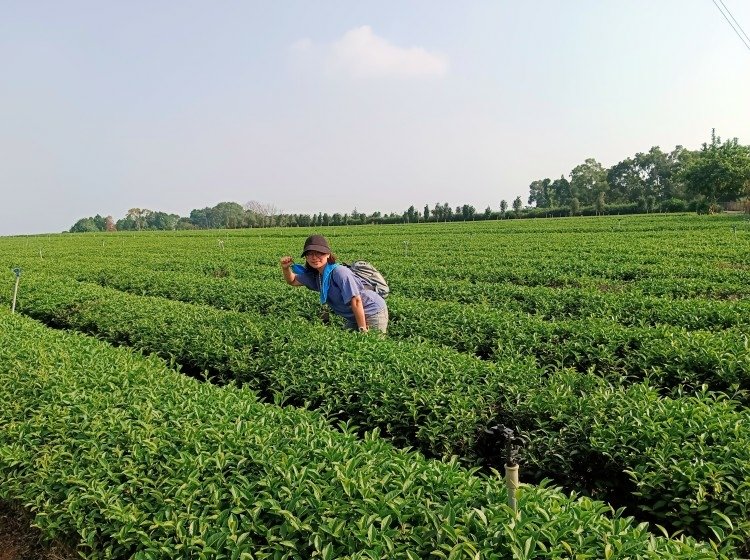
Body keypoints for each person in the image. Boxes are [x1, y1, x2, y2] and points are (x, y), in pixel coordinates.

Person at [280, 234, 388, 333]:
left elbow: (356, 300)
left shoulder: (339, 272)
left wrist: (362, 329)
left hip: (372, 311)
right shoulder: (316, 275)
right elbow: (293, 281)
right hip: (355, 315)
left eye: (319, 253)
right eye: (310, 254)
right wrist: (285, 269)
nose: (314, 257)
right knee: (348, 346)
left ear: (327, 254)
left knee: (368, 346)